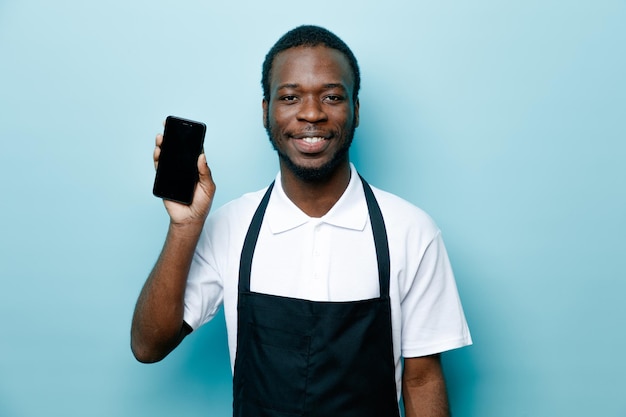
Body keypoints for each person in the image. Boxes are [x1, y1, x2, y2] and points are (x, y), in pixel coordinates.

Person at [131, 25, 472, 417]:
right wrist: (184, 226)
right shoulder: (232, 226)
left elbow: (422, 380)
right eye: (291, 97)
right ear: (266, 111)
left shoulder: (412, 232)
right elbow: (148, 346)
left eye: (331, 96)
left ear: (356, 110)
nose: (311, 113)